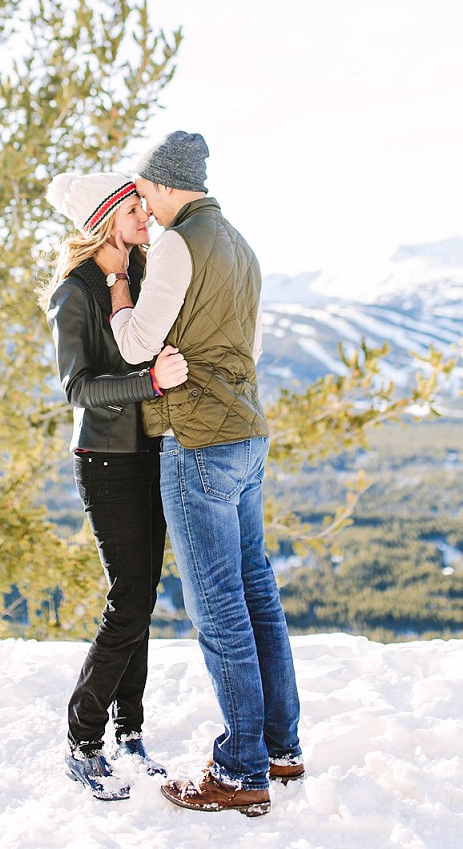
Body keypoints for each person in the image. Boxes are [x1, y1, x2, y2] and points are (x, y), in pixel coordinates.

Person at [95, 131, 303, 818]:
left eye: (147, 190)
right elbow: (255, 342)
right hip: (247, 434)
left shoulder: (180, 244)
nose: (144, 206)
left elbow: (133, 345)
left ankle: (241, 769)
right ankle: (280, 747)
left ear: (169, 183)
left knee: (218, 611)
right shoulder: (239, 243)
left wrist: (119, 282)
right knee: (257, 594)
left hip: (201, 442)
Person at [43, 170, 188, 802]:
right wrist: (149, 384)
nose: (146, 216)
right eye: (134, 207)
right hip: (106, 459)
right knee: (130, 596)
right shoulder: (74, 293)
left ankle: (129, 733)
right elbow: (76, 389)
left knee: (143, 594)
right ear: (106, 219)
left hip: (151, 452)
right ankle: (83, 736)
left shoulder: (146, 271)